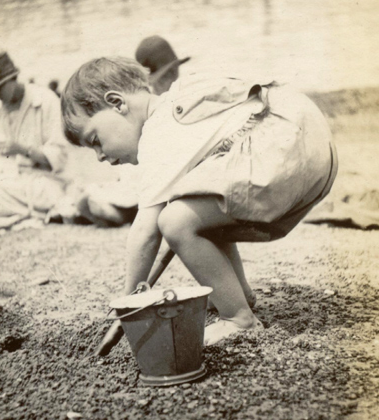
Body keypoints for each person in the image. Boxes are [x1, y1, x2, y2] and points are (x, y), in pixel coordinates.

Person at [60, 56, 338, 345]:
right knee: (196, 205)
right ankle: (235, 293)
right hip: (310, 141)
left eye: (95, 140)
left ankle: (239, 318)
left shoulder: (157, 131)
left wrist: (127, 304)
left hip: (283, 146)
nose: (101, 156)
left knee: (174, 221)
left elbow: (145, 232)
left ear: (118, 103)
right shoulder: (178, 103)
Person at [0, 50, 68, 231]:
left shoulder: (45, 100)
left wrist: (23, 149)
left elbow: (60, 158)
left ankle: (0, 215)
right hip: (8, 185)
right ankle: (9, 213)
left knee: (47, 193)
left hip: (45, 183)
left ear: (13, 78)